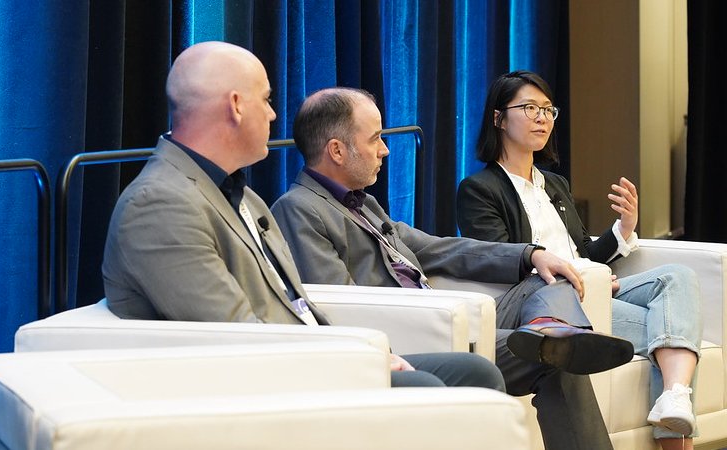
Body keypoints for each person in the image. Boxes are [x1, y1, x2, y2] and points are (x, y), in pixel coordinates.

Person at [101, 41, 506, 392]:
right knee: (426, 388)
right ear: (237, 106)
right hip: (268, 383)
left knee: (474, 372)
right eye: (267, 100)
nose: (275, 116)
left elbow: (296, 304)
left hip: (307, 354)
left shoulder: (240, 196)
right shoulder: (160, 203)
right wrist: (353, 360)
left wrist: (366, 350)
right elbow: (235, 332)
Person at [270, 86, 635, 450]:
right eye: (376, 139)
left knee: (547, 278)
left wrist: (529, 254)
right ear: (336, 150)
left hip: (451, 316)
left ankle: (551, 327)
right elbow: (340, 303)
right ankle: (552, 338)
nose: (385, 149)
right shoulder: (301, 208)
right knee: (553, 358)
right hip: (421, 333)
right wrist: (430, 314)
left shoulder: (363, 205)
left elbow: (437, 248)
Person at [456, 70, 702, 450]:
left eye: (548, 110)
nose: (542, 118)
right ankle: (675, 430)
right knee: (673, 331)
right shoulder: (479, 189)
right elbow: (503, 259)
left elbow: (582, 253)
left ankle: (675, 396)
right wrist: (588, 275)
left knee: (678, 278)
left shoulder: (554, 184)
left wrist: (624, 228)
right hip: (551, 304)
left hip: (593, 287)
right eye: (529, 108)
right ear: (498, 118)